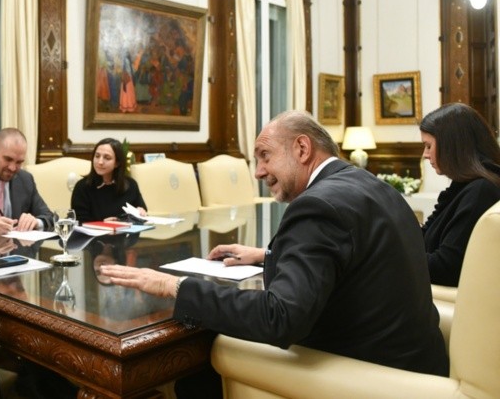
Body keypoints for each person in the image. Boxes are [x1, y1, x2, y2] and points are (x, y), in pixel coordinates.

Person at [101, 111, 448, 397]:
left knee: (206, 359)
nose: (258, 172)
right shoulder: (372, 186)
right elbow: (355, 263)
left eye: (265, 156)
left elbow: (279, 318)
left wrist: (174, 287)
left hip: (369, 374)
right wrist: (268, 255)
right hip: (418, 363)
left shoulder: (317, 205)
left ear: (301, 148)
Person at [419, 103, 500, 286]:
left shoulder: (481, 191)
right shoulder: (465, 184)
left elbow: (445, 268)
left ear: (452, 146)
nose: (425, 154)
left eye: (428, 146)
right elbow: (425, 235)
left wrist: (390, 256)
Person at [70, 137, 147, 223]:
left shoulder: (130, 184)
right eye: (97, 156)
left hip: (125, 234)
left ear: (117, 163)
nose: (100, 162)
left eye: (107, 158)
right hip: (94, 235)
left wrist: (141, 211)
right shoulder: (82, 187)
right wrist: (102, 224)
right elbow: (78, 221)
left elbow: (141, 209)